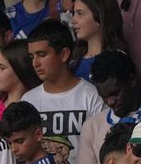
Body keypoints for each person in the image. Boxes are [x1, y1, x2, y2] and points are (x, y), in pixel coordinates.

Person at [20, 19, 102, 148]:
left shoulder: (92, 96)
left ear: (64, 54)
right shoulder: (28, 100)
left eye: (42, 54)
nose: (35, 63)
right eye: (32, 57)